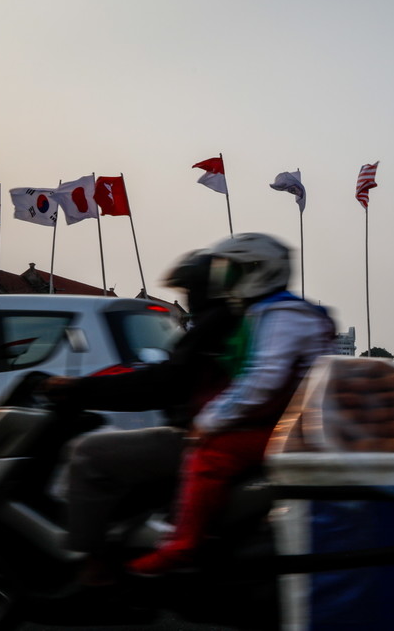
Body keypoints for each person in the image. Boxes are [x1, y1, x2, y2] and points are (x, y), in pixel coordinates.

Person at [126, 232, 336, 576]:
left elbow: (262, 380)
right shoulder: (283, 310)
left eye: (231, 271)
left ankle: (183, 546)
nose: (225, 282)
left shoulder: (281, 313)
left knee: (210, 453)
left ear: (257, 271)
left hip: (296, 430)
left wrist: (210, 421)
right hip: (296, 423)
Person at [48, 249, 240, 587]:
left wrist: (80, 389)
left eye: (189, 290)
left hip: (198, 437)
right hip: (212, 432)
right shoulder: (230, 320)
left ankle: (93, 569)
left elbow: (161, 384)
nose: (187, 298)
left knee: (87, 454)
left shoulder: (215, 323)